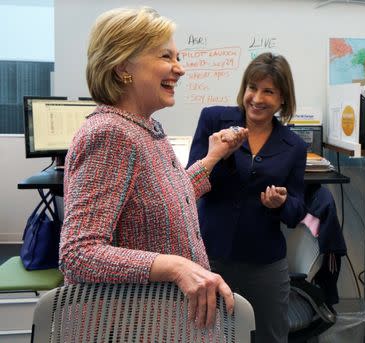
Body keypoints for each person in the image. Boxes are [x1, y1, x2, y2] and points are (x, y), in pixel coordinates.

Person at [59, 7, 248, 331]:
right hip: (134, 327)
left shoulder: (145, 129)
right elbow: (78, 254)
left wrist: (213, 158)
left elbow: (166, 196)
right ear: (122, 67)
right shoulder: (110, 135)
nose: (180, 69)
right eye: (166, 56)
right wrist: (174, 266)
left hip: (164, 322)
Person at [187, 52, 308, 343]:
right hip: (209, 255)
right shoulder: (215, 120)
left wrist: (281, 203)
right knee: (204, 335)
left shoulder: (293, 146)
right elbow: (189, 186)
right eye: (252, 88)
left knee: (269, 336)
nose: (257, 98)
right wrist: (220, 156)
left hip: (263, 262)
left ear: (282, 99)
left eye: (269, 91)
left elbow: (297, 211)